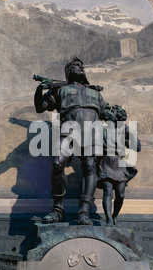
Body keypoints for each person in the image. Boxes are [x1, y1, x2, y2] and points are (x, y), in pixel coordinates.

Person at [34, 57, 111, 225]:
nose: (80, 67)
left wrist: (116, 116)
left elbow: (106, 113)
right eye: (76, 66)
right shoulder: (62, 90)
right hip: (68, 129)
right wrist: (41, 89)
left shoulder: (96, 93)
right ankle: (58, 210)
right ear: (68, 70)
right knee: (57, 163)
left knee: (90, 167)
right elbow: (41, 106)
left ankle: (84, 212)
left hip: (92, 130)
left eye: (81, 66)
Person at [97, 105, 141, 226]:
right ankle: (109, 220)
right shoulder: (102, 130)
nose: (109, 113)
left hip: (119, 164)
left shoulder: (122, 132)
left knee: (120, 194)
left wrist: (128, 130)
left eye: (112, 112)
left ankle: (115, 216)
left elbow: (137, 147)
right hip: (105, 162)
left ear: (117, 117)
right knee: (108, 191)